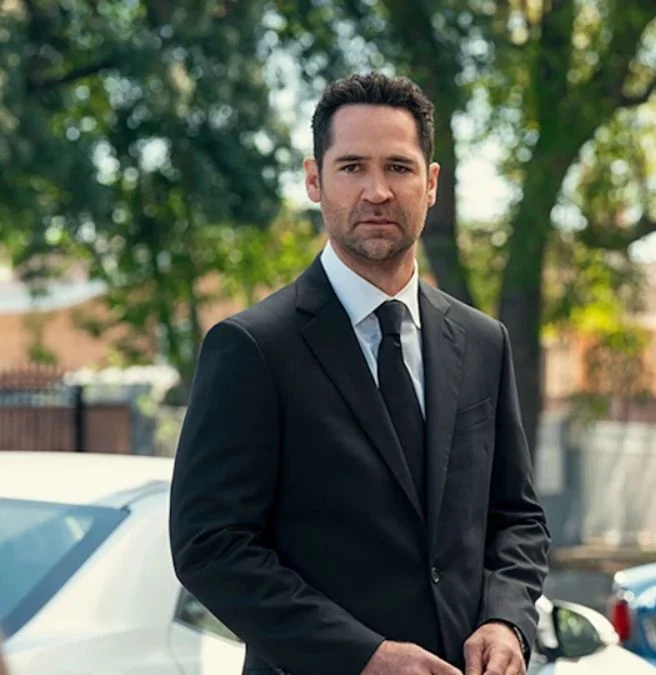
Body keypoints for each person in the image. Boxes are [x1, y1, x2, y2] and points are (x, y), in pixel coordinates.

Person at [169, 73, 550, 675]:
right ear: (314, 180)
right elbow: (210, 548)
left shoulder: (483, 342)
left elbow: (517, 518)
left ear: (430, 184)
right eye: (351, 167)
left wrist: (507, 620)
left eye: (398, 168)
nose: (376, 191)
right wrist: (362, 656)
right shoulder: (251, 347)